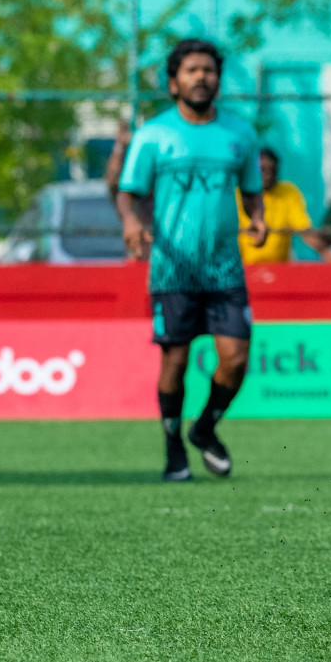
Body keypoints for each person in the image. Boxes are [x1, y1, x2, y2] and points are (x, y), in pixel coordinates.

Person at [115, 39, 266, 482]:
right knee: (175, 363)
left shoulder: (240, 133)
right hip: (172, 268)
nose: (202, 77)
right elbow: (128, 194)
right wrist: (128, 221)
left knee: (236, 358)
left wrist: (256, 217)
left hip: (224, 268)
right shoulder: (153, 135)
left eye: (209, 70)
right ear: (173, 81)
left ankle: (204, 428)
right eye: (192, 70)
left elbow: (252, 187)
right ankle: (172, 448)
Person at [238, 148, 331, 263]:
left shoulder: (288, 193)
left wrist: (327, 254)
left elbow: (304, 229)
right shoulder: (240, 193)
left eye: (273, 170)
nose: (268, 175)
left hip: (279, 268)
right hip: (244, 267)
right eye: (263, 170)